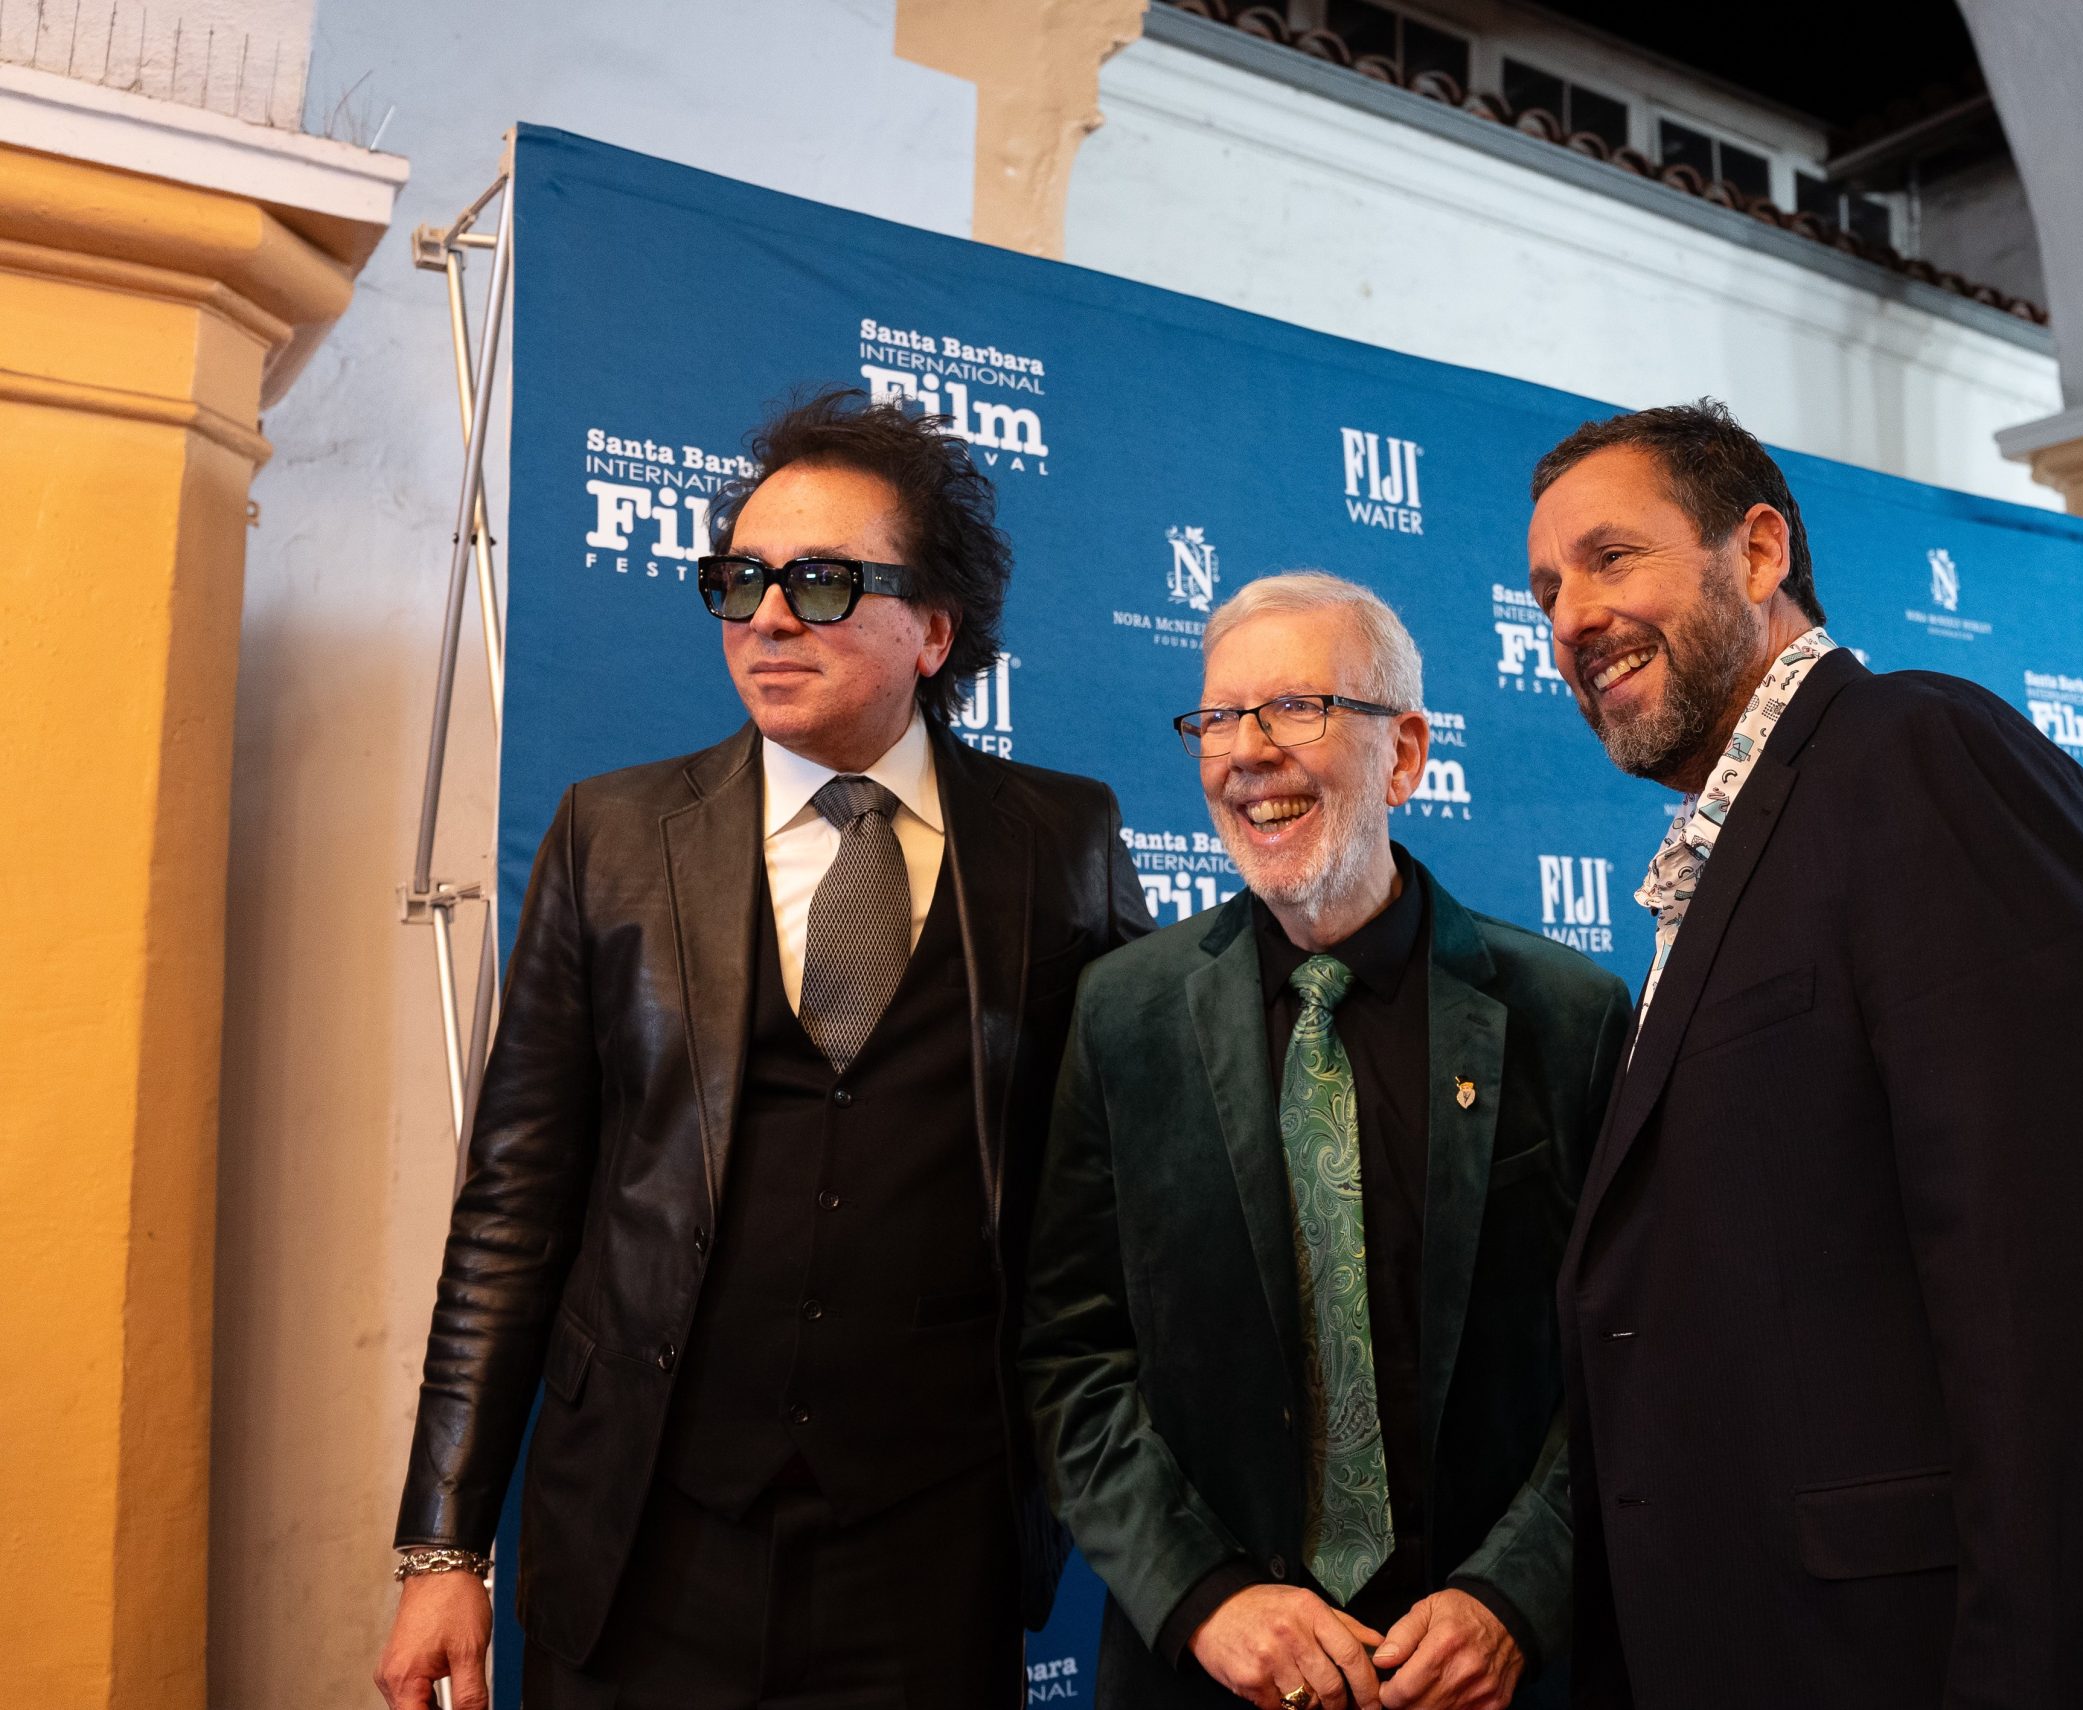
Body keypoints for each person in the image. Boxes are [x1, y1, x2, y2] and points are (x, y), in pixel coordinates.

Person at [1526, 401, 2083, 1709]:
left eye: (1610, 557)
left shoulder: (1919, 756)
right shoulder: (1732, 852)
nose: (1571, 616)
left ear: (1758, 550)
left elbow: (2068, 1303)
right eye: (1546, 591)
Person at [374, 389, 1151, 1710]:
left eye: (824, 582)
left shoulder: (1059, 840)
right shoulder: (613, 834)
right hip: (640, 1535)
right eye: (740, 581)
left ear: (936, 629)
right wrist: (444, 1544)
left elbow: (1127, 1175)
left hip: (932, 1552)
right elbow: (514, 1205)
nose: (769, 618)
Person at [1021, 575, 1630, 1710]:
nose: (1246, 753)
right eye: (1217, 719)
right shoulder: (1124, 1014)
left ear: (1405, 755)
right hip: (1208, 1682)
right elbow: (1070, 1356)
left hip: (1488, 1680)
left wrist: (1515, 1599)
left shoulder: (1568, 1017)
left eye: (1296, 708)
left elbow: (1628, 1356)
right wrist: (1203, 1596)